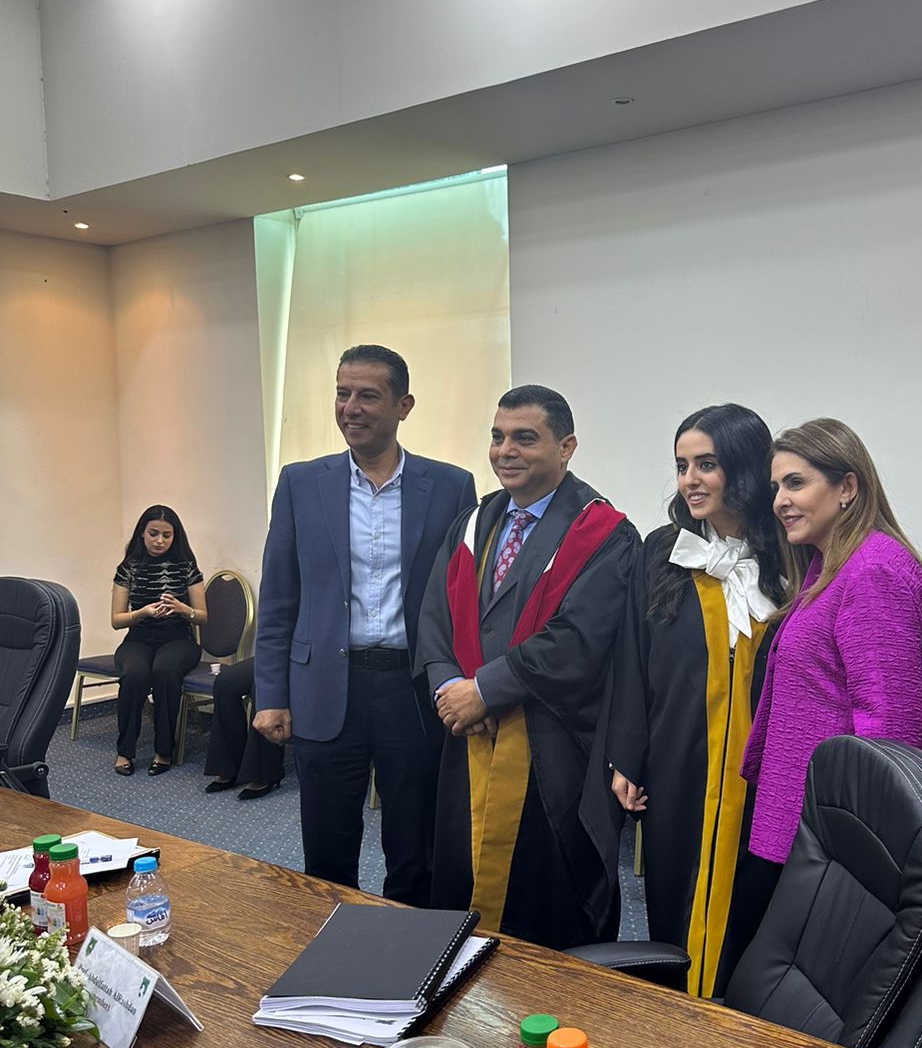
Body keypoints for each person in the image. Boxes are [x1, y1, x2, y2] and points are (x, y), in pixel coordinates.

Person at [416, 384, 639, 949]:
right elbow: (434, 616)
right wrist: (450, 687)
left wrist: (484, 691)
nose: (505, 451)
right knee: (458, 880)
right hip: (468, 740)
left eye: (524, 438)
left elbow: (578, 640)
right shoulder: (475, 522)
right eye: (497, 437)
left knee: (543, 910)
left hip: (551, 750)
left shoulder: (603, 533)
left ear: (566, 447)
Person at [253, 344, 476, 903]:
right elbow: (279, 598)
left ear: (404, 406)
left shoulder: (450, 487)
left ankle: (413, 945)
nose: (351, 408)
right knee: (326, 847)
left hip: (414, 688)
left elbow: (463, 602)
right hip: (326, 687)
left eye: (368, 396)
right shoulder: (301, 483)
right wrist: (271, 694)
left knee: (417, 845)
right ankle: (334, 941)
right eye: (342, 394)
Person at [605, 403, 789, 997]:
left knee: (757, 896)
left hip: (763, 771)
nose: (690, 480)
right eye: (682, 465)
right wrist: (628, 757)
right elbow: (631, 660)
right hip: (677, 759)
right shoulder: (664, 551)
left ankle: (741, 1013)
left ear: (745, 467)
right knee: (673, 883)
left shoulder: (790, 556)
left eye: (706, 464)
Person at [742, 418, 922, 865]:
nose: (780, 501)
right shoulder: (831, 564)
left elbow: (890, 728)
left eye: (795, 483)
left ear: (847, 487)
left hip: (844, 824)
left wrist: (863, 842)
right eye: (776, 487)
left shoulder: (873, 571)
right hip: (815, 803)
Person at [110, 505, 206, 776]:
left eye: (167, 535)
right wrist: (141, 613)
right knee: (134, 674)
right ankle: (125, 751)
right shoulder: (128, 568)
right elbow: (117, 620)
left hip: (179, 640)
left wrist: (182, 609)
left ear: (175, 536)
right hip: (138, 639)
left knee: (165, 671)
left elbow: (202, 617)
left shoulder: (186, 567)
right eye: (153, 534)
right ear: (142, 533)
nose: (159, 541)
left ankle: (164, 751)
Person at [203, 655, 284, 799]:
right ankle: (230, 766)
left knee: (262, 686)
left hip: (305, 659)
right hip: (276, 653)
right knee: (225, 681)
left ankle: (264, 773)